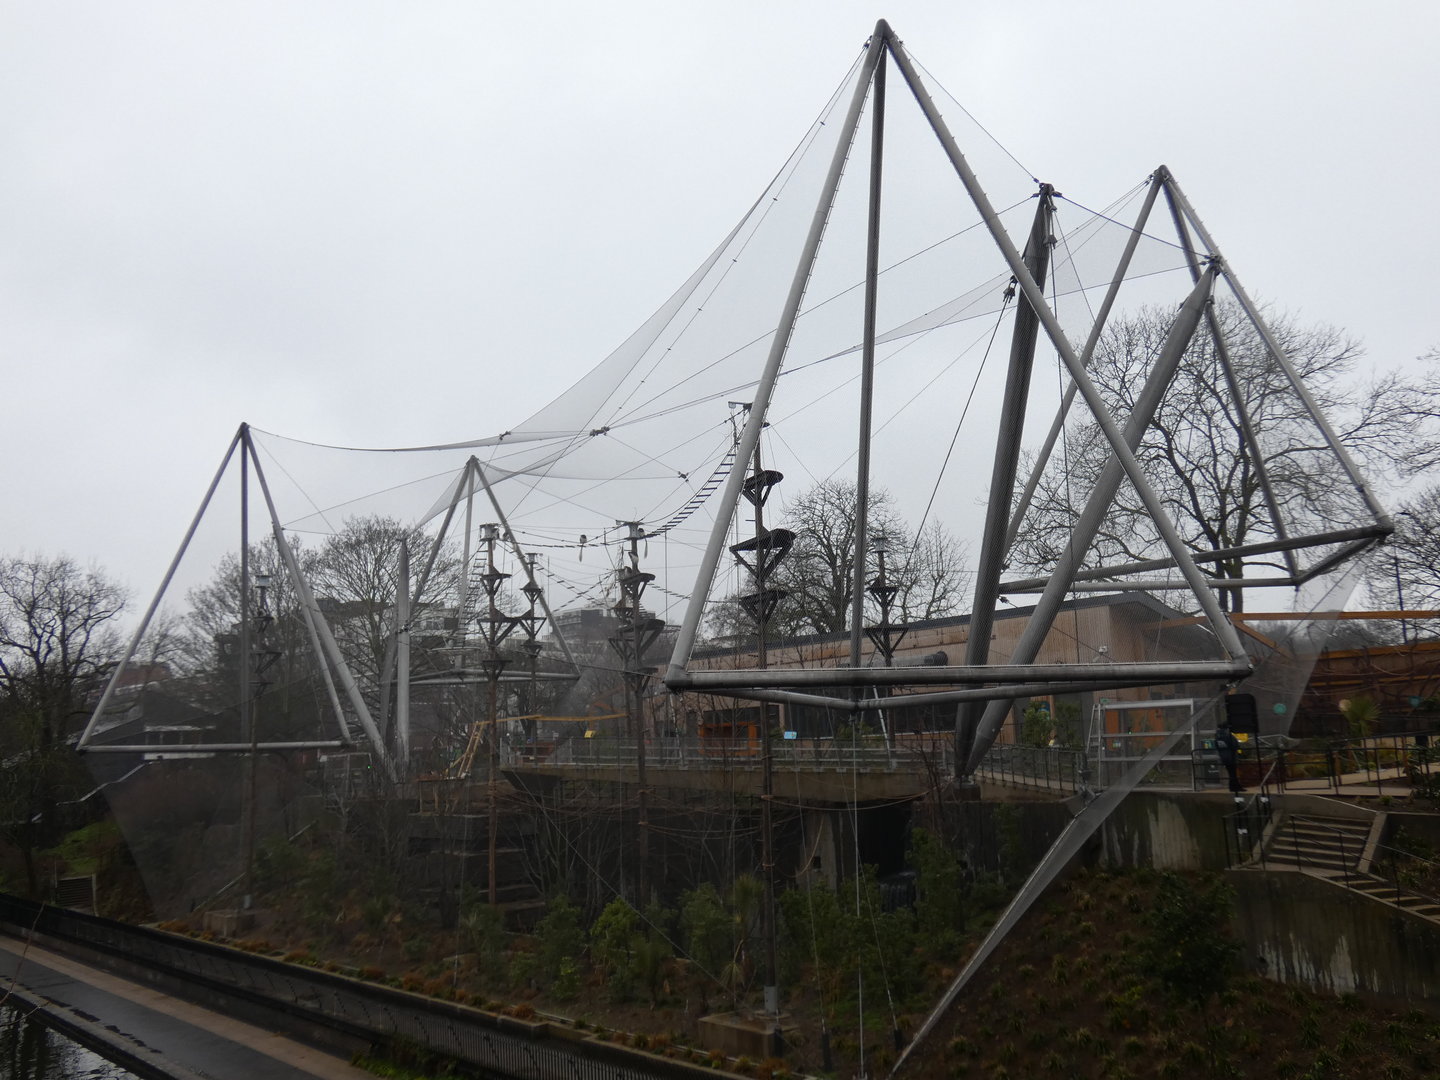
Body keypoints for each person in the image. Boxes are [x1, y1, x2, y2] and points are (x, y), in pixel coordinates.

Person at [1214, 720, 1244, 793]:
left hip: (1223, 756)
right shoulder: (1228, 735)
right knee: (1233, 772)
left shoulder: (1218, 735)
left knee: (1231, 772)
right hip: (1231, 755)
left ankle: (1235, 786)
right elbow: (1235, 744)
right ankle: (1234, 787)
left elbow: (1217, 745)